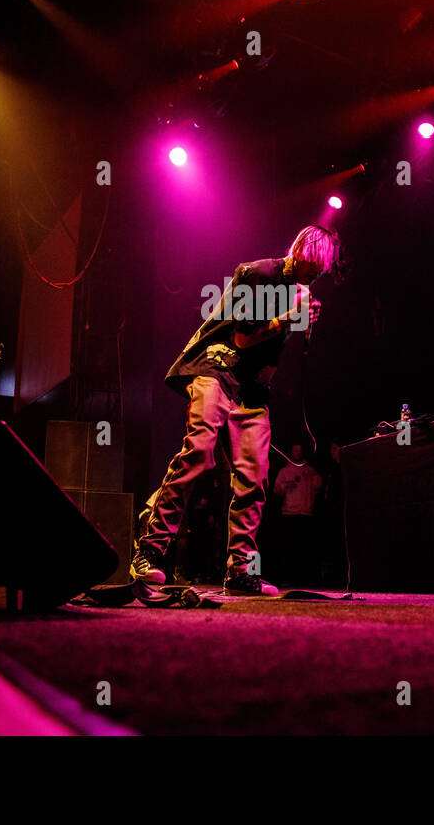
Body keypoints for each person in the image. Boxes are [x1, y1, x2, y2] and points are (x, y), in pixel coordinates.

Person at [131, 225, 340, 595]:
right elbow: (243, 337)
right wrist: (288, 319)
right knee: (199, 451)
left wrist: (303, 324)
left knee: (254, 477)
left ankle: (241, 571)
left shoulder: (297, 292)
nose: (315, 274)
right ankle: (149, 549)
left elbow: (270, 350)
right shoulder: (260, 275)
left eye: (321, 270)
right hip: (217, 367)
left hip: (252, 388)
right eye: (313, 265)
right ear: (302, 251)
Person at [272, 443, 322, 585]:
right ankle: (289, 578)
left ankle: (305, 579)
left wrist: (313, 476)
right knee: (289, 549)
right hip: (289, 514)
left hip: (306, 514)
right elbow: (276, 490)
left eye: (299, 450)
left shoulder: (310, 470)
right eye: (295, 450)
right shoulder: (284, 471)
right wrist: (285, 486)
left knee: (305, 549)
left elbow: (318, 486)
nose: (297, 453)